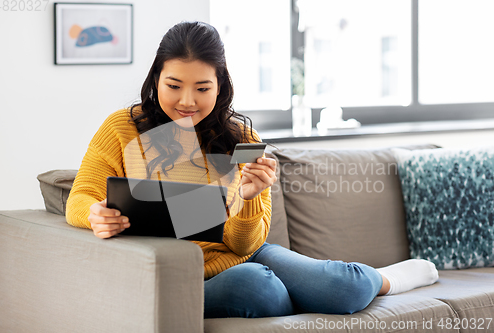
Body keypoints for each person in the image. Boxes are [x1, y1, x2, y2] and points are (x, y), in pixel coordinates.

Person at [66, 21, 439, 318]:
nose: (186, 101)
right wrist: (94, 213)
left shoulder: (240, 137)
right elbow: (79, 198)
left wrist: (247, 198)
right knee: (257, 287)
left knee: (345, 287)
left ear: (220, 85)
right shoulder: (122, 128)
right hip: (176, 270)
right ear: (156, 79)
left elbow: (245, 244)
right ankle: (294, 298)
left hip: (246, 255)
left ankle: (391, 278)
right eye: (174, 85)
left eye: (202, 88)